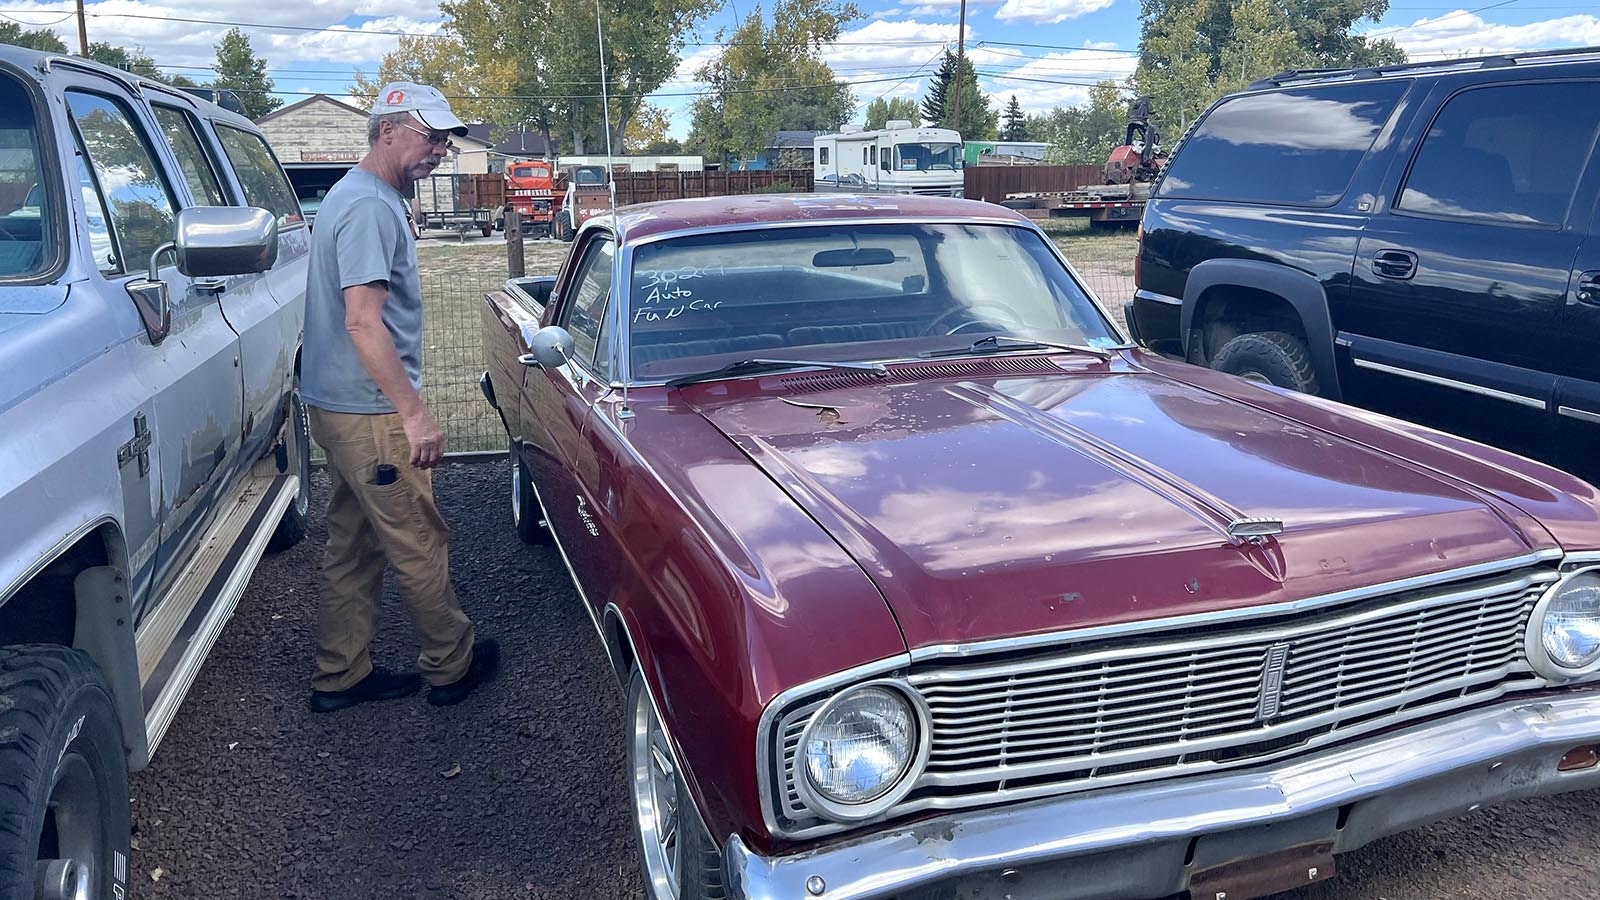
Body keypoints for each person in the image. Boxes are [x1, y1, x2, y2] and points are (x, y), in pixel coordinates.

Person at [300, 81, 498, 712]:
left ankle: (341, 674)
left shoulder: (357, 197)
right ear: (388, 130)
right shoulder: (367, 206)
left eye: (445, 139)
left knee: (354, 544)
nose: (440, 150)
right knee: (418, 538)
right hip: (371, 415)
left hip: (339, 406)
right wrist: (411, 412)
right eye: (430, 136)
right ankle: (451, 665)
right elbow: (363, 319)